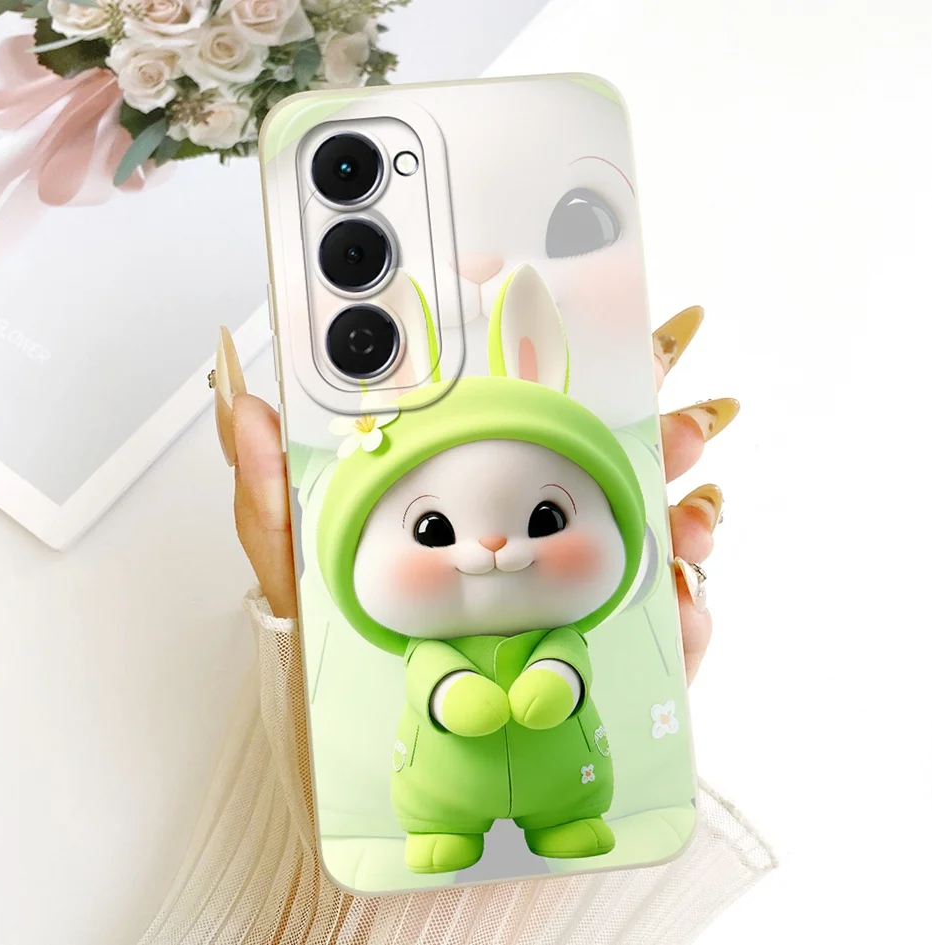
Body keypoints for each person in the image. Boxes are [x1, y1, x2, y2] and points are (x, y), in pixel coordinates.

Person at [138, 307, 774, 945]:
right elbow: (432, 682)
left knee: (574, 810)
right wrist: (454, 695)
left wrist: (556, 680)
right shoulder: (427, 652)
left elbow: (568, 665)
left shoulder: (560, 636)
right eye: (433, 529)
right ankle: (444, 828)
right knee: (439, 819)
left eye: (547, 518)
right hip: (440, 799)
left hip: (564, 783)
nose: (494, 546)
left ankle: (564, 820)